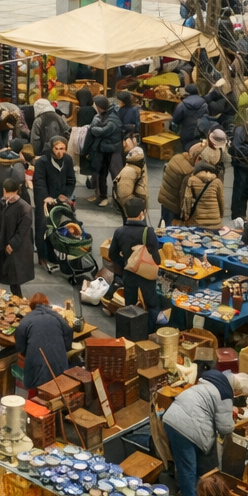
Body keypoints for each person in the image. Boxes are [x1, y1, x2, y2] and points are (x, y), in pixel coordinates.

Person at [162, 369, 236, 496]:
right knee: (188, 468)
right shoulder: (225, 394)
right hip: (185, 428)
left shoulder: (206, 384)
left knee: (189, 466)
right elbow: (225, 428)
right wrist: (232, 420)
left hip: (172, 418)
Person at [109, 198, 161, 334]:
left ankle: (130, 334)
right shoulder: (148, 232)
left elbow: (112, 254)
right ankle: (148, 333)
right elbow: (157, 258)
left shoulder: (119, 232)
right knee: (152, 305)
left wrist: (126, 262)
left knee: (130, 307)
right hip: (146, 276)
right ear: (142, 213)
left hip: (129, 274)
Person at [14, 293, 73, 396]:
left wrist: (28, 352)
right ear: (47, 303)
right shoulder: (58, 317)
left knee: (38, 391)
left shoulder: (26, 319)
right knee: (57, 389)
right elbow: (68, 333)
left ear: (32, 306)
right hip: (59, 364)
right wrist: (63, 349)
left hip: (36, 365)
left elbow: (20, 345)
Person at [32, 136, 76, 267]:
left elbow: (71, 180)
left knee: (58, 227)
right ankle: (42, 256)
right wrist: (45, 197)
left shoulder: (67, 160)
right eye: (56, 149)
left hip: (60, 199)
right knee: (42, 227)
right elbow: (39, 182)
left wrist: (65, 194)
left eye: (62, 149)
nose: (59, 152)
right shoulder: (42, 162)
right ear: (52, 148)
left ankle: (52, 254)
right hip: (44, 201)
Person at [0, 178, 34, 298]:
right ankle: (16, 298)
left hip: (17, 248)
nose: (7, 196)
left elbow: (22, 230)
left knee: (14, 276)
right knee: (11, 276)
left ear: (16, 191)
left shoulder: (25, 208)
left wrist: (12, 244)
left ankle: (17, 299)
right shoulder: (4, 202)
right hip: (5, 242)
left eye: (10, 193)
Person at [86, 96, 123, 206]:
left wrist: (92, 128)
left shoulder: (112, 118)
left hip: (112, 151)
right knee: (102, 174)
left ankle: (118, 198)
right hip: (104, 149)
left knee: (115, 175)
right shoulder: (105, 115)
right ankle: (103, 196)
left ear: (99, 106)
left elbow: (102, 131)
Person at [182, 161, 225, 228]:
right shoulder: (217, 181)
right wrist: (220, 216)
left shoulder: (192, 180)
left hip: (198, 222)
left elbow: (188, 200)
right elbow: (221, 201)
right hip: (215, 223)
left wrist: (186, 216)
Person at [113, 147, 148, 222]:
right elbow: (124, 195)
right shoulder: (129, 172)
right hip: (134, 211)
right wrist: (137, 206)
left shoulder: (136, 169)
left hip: (137, 210)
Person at [172, 84, 211, 151]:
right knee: (200, 150)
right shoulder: (204, 104)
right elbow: (206, 117)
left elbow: (175, 120)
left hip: (187, 133)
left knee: (187, 152)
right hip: (201, 131)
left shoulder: (182, 105)